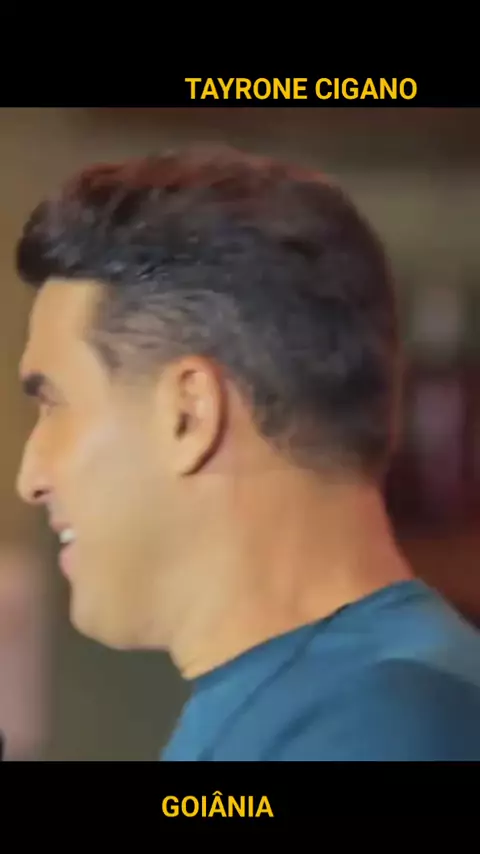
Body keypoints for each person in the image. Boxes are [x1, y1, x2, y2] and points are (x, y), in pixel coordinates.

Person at [14, 144, 480, 761]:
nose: (30, 477)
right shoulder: (323, 705)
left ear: (189, 413)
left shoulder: (382, 725)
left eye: (53, 402)